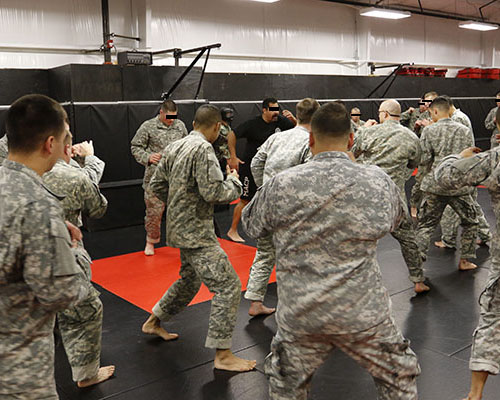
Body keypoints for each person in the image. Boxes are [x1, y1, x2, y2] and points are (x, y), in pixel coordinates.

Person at [241, 101, 420, 399]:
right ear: (351, 139)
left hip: (302, 314)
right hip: (362, 312)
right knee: (399, 378)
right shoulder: (378, 181)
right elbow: (395, 220)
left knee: (286, 388)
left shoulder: (282, 185)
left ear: (311, 139)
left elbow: (251, 226)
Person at [141, 104, 256, 372]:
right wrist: (235, 182)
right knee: (227, 285)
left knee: (190, 280)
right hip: (196, 231)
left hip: (179, 227)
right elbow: (214, 193)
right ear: (217, 127)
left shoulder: (174, 147)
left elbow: (157, 185)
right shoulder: (203, 149)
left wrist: (180, 199)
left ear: (193, 123)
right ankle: (223, 354)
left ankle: (154, 321)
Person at [0, 94, 88, 399]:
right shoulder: (38, 204)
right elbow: (63, 294)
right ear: (50, 144)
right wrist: (72, 251)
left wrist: (47, 231)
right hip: (19, 372)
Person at [434, 109, 500, 400]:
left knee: (493, 317)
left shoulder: (495, 158)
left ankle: (475, 394)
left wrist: (457, 157)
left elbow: (445, 177)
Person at [43, 131, 114, 388]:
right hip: (63, 256)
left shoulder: (10, 173)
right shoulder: (72, 175)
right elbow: (97, 207)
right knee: (87, 311)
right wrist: (91, 159)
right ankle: (86, 374)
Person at [245, 98, 320, 317]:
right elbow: (309, 175)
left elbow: (255, 163)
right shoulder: (311, 141)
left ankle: (255, 301)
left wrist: (264, 187)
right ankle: (299, 302)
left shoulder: (275, 137)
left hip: (268, 204)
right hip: (293, 209)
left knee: (265, 253)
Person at [352, 99, 429, 293]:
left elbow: (352, 153)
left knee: (360, 242)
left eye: (380, 113)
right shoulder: (411, 136)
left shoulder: (368, 132)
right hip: (394, 198)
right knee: (408, 239)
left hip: (368, 197)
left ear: (385, 114)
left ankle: (357, 284)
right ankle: (418, 280)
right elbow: (414, 163)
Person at [416, 96, 478, 271]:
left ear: (435, 111)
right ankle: (465, 260)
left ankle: (417, 266)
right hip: (458, 184)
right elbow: (469, 158)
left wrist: (422, 180)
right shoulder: (464, 130)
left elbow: (425, 159)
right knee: (470, 222)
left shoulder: (429, 131)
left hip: (436, 183)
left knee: (426, 225)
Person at [226, 97, 295, 242]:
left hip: (269, 168)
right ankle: (232, 230)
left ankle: (268, 229)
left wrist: (293, 119)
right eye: (273, 110)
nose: (276, 113)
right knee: (245, 199)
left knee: (270, 198)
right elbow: (232, 135)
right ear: (264, 110)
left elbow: (297, 129)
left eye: (277, 109)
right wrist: (233, 157)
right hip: (250, 166)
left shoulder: (280, 121)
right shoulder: (253, 124)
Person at [131, 99, 188, 256]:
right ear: (161, 112)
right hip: (155, 178)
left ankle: (182, 242)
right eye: (168, 117)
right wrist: (148, 157)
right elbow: (135, 146)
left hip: (177, 177)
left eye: (174, 117)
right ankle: (151, 241)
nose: (171, 120)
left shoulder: (180, 126)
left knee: (180, 211)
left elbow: (187, 145)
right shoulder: (148, 126)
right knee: (154, 213)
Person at [435, 96, 492, 250]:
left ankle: (449, 240)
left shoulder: (458, 120)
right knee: (471, 207)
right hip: (462, 167)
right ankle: (486, 235)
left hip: (459, 168)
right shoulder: (459, 118)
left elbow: (459, 147)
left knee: (452, 208)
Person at [409, 91, 438, 218]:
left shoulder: (440, 115)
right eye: (425, 101)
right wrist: (416, 127)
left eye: (429, 101)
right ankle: (414, 205)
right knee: (420, 183)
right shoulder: (424, 115)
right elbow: (415, 136)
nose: (426, 104)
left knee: (436, 184)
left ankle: (430, 208)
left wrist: (431, 126)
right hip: (425, 155)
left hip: (437, 154)